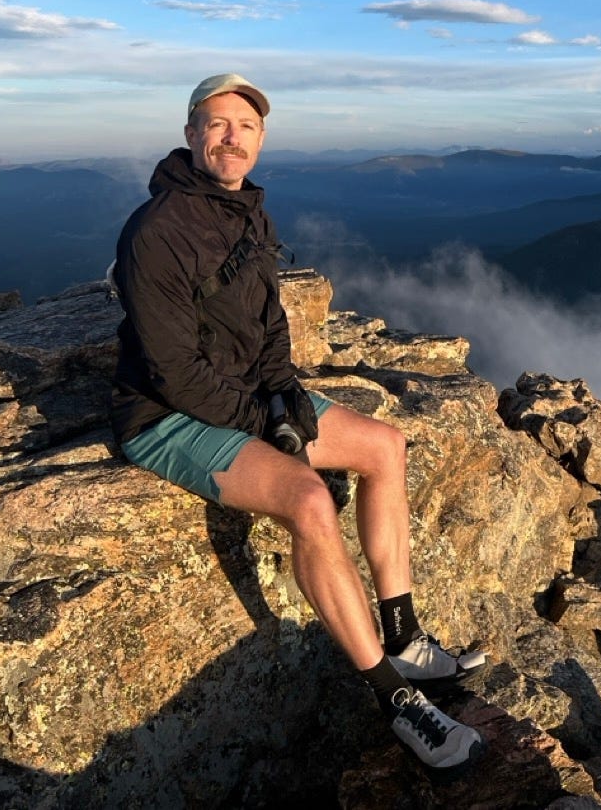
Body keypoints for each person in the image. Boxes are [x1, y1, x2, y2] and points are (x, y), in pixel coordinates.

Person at [110, 73, 487, 776]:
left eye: (247, 127)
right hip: (164, 416)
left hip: (247, 395)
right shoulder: (157, 232)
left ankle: (403, 634)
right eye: (218, 124)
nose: (232, 138)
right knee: (310, 500)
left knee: (385, 446)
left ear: (260, 140)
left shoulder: (249, 213)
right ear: (190, 133)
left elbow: (269, 322)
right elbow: (172, 372)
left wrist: (285, 393)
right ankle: (394, 697)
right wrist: (264, 421)